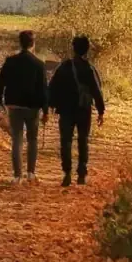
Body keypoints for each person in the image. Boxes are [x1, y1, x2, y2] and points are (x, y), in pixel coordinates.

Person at [48, 35, 105, 186]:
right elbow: (97, 90)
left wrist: (51, 105)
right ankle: (81, 173)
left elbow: (52, 86)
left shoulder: (64, 66)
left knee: (66, 141)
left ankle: (67, 173)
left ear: (73, 48)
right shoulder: (89, 68)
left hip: (66, 110)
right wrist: (101, 111)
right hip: (83, 109)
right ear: (87, 50)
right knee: (83, 140)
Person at [0, 30, 48, 184]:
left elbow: (0, 82)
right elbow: (43, 90)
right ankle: (31, 173)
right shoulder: (39, 64)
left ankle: (17, 175)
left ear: (20, 43)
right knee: (32, 139)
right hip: (32, 106)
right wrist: (45, 110)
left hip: (14, 105)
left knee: (17, 139)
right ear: (33, 44)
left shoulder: (10, 61)